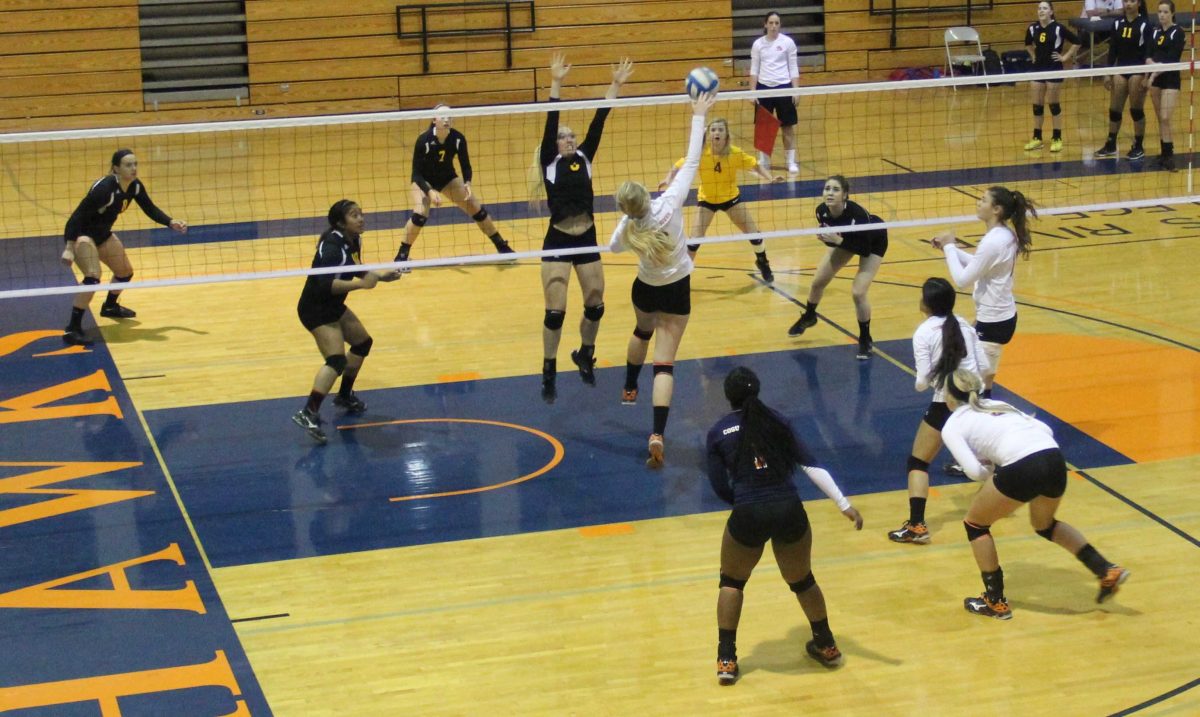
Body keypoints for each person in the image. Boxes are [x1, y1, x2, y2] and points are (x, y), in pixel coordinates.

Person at [705, 366, 863, 684]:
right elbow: (810, 465)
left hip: (749, 511)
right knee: (803, 580)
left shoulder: (719, 431)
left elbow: (719, 484)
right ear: (758, 390)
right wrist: (844, 505)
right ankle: (826, 645)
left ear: (728, 397)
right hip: (789, 509)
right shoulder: (779, 421)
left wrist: (744, 503)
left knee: (731, 582)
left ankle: (726, 659)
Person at [941, 369, 1130, 619]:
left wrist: (992, 469)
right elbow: (1044, 429)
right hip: (1053, 458)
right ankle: (1104, 568)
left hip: (1022, 465)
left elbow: (975, 472)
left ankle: (995, 601)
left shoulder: (952, 424)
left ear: (949, 396)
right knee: (1045, 525)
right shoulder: (998, 403)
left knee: (976, 524)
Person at [610, 92, 717, 468]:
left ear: (626, 208)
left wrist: (627, 220)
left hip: (645, 289)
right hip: (677, 290)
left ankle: (628, 386)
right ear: (647, 195)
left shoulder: (629, 228)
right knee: (665, 364)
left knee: (642, 332)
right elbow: (692, 159)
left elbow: (612, 248)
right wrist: (698, 115)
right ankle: (656, 433)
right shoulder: (670, 203)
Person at [535, 53, 634, 404]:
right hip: (559, 239)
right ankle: (549, 369)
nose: (570, 139)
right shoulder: (550, 163)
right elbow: (551, 119)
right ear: (555, 144)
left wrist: (616, 85)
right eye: (564, 137)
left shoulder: (586, 159)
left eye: (571, 136)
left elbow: (599, 120)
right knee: (555, 311)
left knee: (595, 304)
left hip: (587, 238)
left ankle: (585, 354)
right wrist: (556, 81)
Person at [887, 278, 990, 545]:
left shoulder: (924, 332)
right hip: (976, 399)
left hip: (947, 403)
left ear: (927, 303)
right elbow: (986, 367)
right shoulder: (964, 325)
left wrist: (931, 377)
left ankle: (917, 527)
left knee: (918, 462)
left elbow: (921, 383)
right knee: (988, 458)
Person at [292, 200, 401, 444]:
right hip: (316, 309)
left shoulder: (353, 239)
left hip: (332, 305)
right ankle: (308, 412)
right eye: (354, 215)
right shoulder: (332, 246)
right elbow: (327, 284)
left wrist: (379, 277)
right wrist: (362, 284)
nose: (361, 218)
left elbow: (353, 267)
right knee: (336, 360)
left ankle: (343, 396)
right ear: (341, 222)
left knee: (362, 342)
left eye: (361, 213)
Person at [59, 149, 188, 345]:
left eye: (135, 164)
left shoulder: (134, 186)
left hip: (102, 235)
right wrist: (69, 247)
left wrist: (170, 222)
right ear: (116, 169)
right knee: (93, 277)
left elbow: (149, 208)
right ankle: (72, 328)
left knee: (125, 272)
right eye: (128, 165)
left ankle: (110, 307)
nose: (134, 168)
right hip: (81, 235)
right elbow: (76, 217)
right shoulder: (105, 189)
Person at [657, 117, 784, 283]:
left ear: (726, 135)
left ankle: (763, 262)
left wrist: (770, 178)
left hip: (731, 199)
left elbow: (756, 166)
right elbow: (679, 165)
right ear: (709, 134)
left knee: (754, 234)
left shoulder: (735, 153)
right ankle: (682, 275)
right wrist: (668, 179)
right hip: (707, 200)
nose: (716, 133)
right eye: (713, 130)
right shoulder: (701, 154)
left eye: (720, 130)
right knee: (695, 240)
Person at [394, 103, 513, 264]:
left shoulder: (457, 139)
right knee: (420, 214)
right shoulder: (424, 140)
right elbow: (416, 173)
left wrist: (468, 184)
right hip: (424, 181)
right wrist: (429, 191)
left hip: (447, 179)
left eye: (449, 117)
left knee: (477, 209)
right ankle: (401, 256)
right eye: (442, 117)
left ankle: (502, 246)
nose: (446, 120)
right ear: (434, 120)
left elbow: (466, 166)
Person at [787, 175, 886, 360]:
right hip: (848, 242)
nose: (829, 193)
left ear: (845, 195)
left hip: (873, 241)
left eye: (835, 189)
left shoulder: (857, 215)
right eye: (827, 189)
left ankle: (865, 338)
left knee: (858, 292)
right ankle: (809, 316)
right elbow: (835, 242)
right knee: (817, 282)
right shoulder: (821, 211)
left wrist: (838, 240)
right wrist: (829, 240)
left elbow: (864, 250)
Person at [1095, 0, 1151, 160]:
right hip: (1121, 70)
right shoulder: (1117, 24)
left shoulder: (1144, 25)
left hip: (1137, 71)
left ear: (1139, 4)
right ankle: (1111, 144)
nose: (1128, 4)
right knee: (1114, 109)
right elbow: (1112, 50)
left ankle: (1139, 146)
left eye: (1132, 1)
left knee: (1136, 110)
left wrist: (1146, 76)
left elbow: (1148, 52)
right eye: (1126, 1)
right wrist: (1107, 73)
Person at [750, 11, 801, 175]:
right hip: (764, 88)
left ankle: (790, 162)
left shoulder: (788, 43)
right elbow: (754, 69)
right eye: (770, 23)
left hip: (784, 87)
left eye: (776, 23)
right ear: (765, 25)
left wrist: (796, 90)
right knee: (764, 128)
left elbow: (793, 67)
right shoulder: (758, 44)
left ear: (780, 25)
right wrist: (752, 91)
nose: (773, 26)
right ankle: (764, 161)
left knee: (787, 127)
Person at [1023, 2, 1079, 153]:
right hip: (1037, 69)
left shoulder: (1058, 28)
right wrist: (1033, 55)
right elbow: (1028, 43)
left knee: (1053, 104)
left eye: (1045, 8)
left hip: (1053, 68)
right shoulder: (1032, 28)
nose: (1041, 11)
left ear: (1051, 12)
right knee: (1037, 105)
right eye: (1039, 8)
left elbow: (1077, 41)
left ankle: (1057, 137)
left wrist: (1065, 57)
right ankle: (1037, 138)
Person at [1147, 1, 1185, 170]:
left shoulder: (1178, 32)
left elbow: (1172, 57)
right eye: (1160, 12)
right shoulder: (1154, 32)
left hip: (1170, 79)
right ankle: (1164, 153)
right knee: (1159, 118)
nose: (1162, 15)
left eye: (1165, 12)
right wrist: (1150, 71)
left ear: (1172, 14)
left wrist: (1154, 72)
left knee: (1165, 117)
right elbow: (1148, 54)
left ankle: (1169, 156)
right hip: (1155, 80)